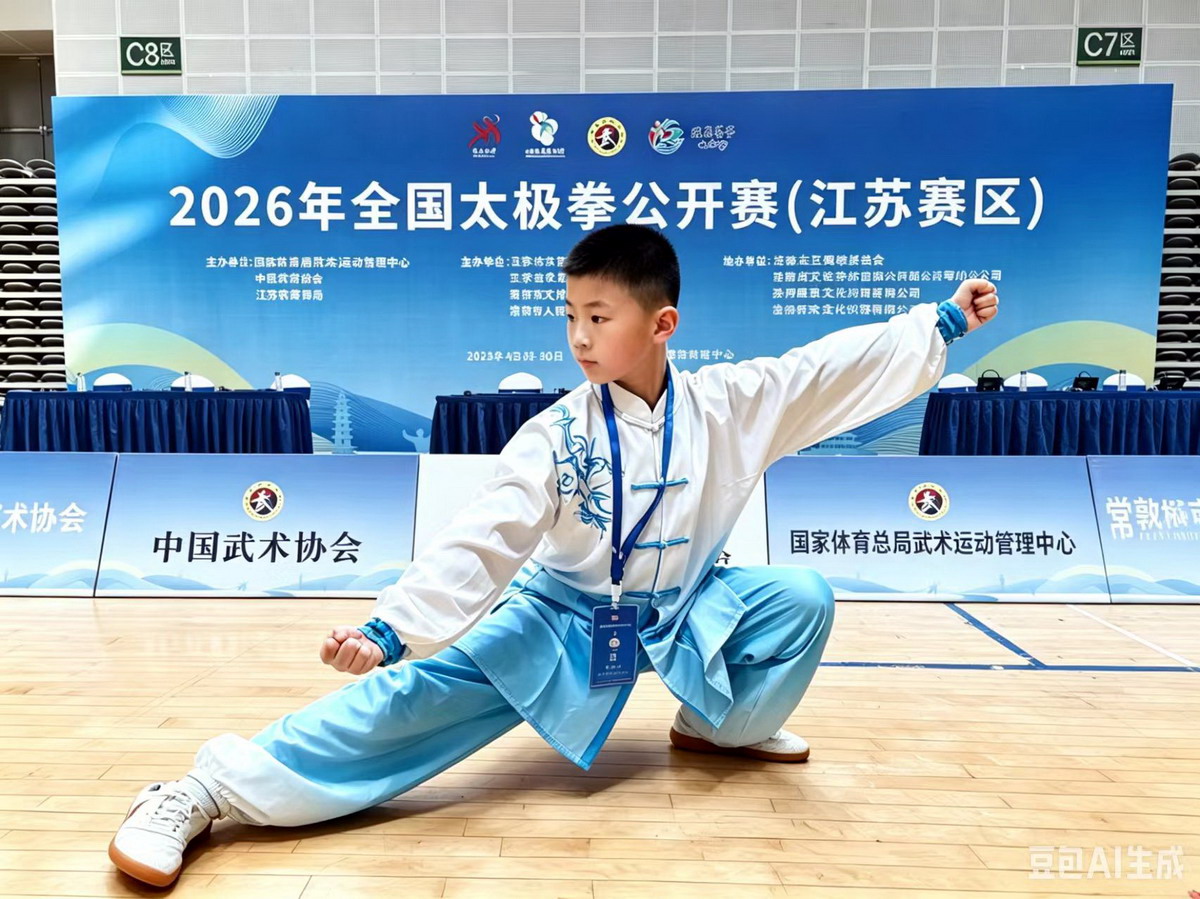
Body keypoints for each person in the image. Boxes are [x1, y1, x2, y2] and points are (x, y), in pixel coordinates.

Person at [109, 224, 998, 886]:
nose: (578, 336)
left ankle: (718, 728)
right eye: (570, 315)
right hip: (565, 617)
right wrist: (391, 628)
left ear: (663, 323)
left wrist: (941, 323)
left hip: (688, 604)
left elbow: (827, 369)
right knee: (413, 701)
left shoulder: (732, 402)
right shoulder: (557, 435)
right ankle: (203, 791)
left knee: (800, 596)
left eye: (598, 316)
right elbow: (486, 534)